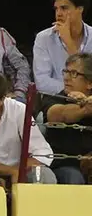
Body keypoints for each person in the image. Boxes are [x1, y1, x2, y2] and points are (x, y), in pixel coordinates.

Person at [38, 52, 92, 185]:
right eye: (65, 72)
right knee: (74, 178)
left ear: (90, 83)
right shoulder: (53, 99)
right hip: (63, 165)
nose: (66, 78)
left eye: (74, 73)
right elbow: (57, 115)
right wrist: (85, 109)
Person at [32, 0, 92, 95]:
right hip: (57, 99)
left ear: (80, 9)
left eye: (64, 8)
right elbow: (42, 82)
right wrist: (73, 91)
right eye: (56, 9)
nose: (58, 14)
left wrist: (70, 44)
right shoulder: (44, 38)